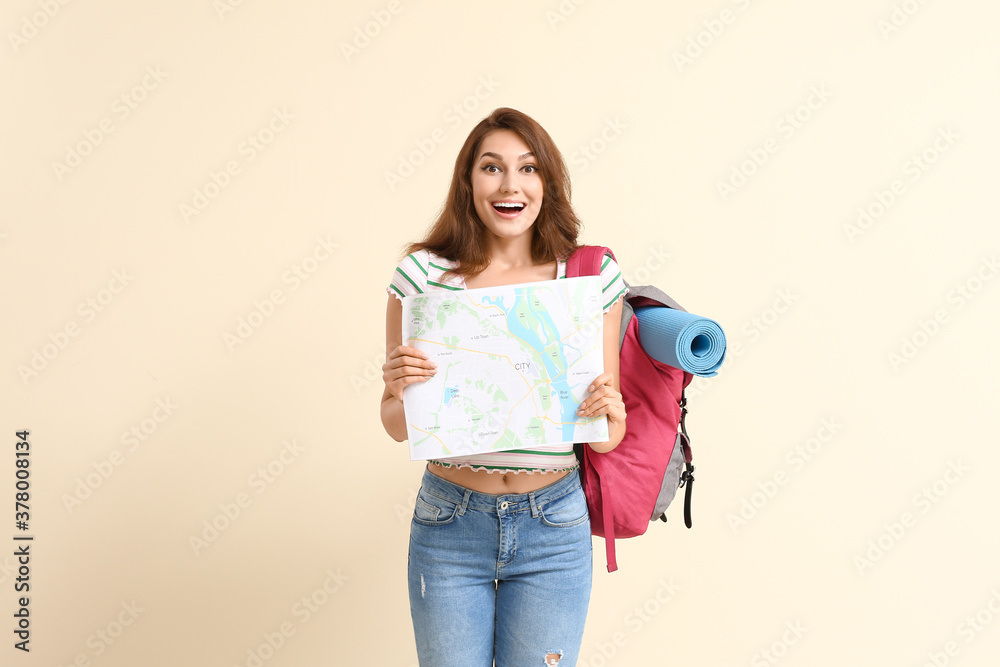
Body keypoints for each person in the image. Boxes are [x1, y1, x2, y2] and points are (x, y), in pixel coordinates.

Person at [380, 107, 628, 667]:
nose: (510, 185)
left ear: (547, 183)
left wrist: (611, 413)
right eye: (491, 168)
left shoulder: (588, 280)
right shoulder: (421, 277)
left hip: (555, 524)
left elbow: (608, 437)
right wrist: (397, 389)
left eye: (528, 168)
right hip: (450, 522)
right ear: (468, 183)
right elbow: (395, 426)